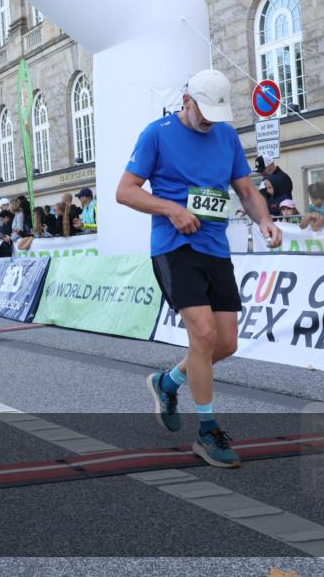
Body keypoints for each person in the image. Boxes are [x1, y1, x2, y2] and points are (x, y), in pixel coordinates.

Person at [117, 68, 281, 468]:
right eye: (202, 111)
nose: (207, 120)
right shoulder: (157, 133)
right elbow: (125, 191)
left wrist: (264, 220)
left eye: (214, 113)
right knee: (203, 335)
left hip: (214, 248)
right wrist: (171, 208)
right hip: (175, 247)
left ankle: (166, 382)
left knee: (225, 344)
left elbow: (245, 190)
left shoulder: (226, 135)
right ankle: (207, 432)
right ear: (186, 100)